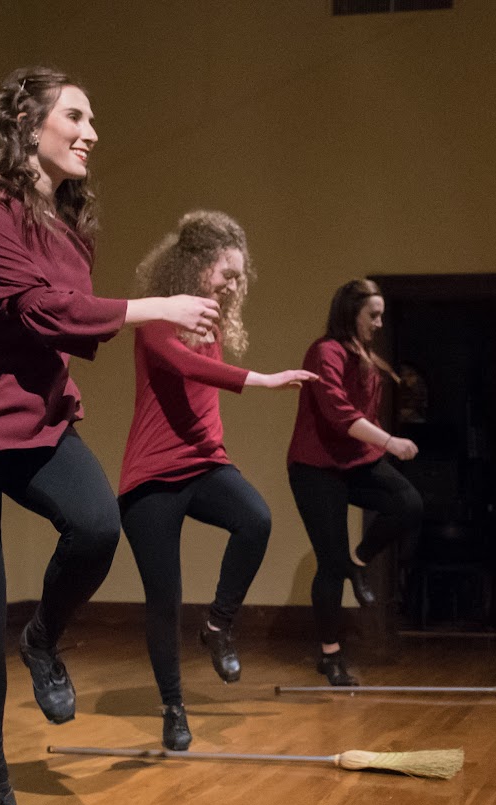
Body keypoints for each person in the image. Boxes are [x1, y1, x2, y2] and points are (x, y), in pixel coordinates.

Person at [0, 67, 222, 805]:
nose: (91, 132)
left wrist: (80, 367)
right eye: (75, 115)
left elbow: (64, 330)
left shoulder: (70, 228)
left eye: (91, 119)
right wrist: (156, 308)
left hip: (33, 426)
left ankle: (43, 637)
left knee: (98, 526)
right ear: (24, 123)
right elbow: (37, 308)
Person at [118, 212, 316, 751]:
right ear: (196, 265)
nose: (233, 285)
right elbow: (186, 367)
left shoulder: (213, 324)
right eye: (227, 273)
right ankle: (173, 708)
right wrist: (262, 380)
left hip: (205, 465)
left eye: (238, 277)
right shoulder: (158, 319)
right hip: (151, 478)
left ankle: (218, 626)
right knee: (165, 600)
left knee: (256, 519)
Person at [287, 279, 422, 685]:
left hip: (356, 461)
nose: (379, 323)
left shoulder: (366, 357)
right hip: (315, 467)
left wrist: (379, 446)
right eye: (373, 316)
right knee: (329, 564)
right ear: (351, 314)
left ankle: (358, 562)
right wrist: (390, 442)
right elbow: (340, 414)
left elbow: (365, 413)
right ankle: (330, 656)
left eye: (381, 316)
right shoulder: (324, 352)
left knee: (408, 503)